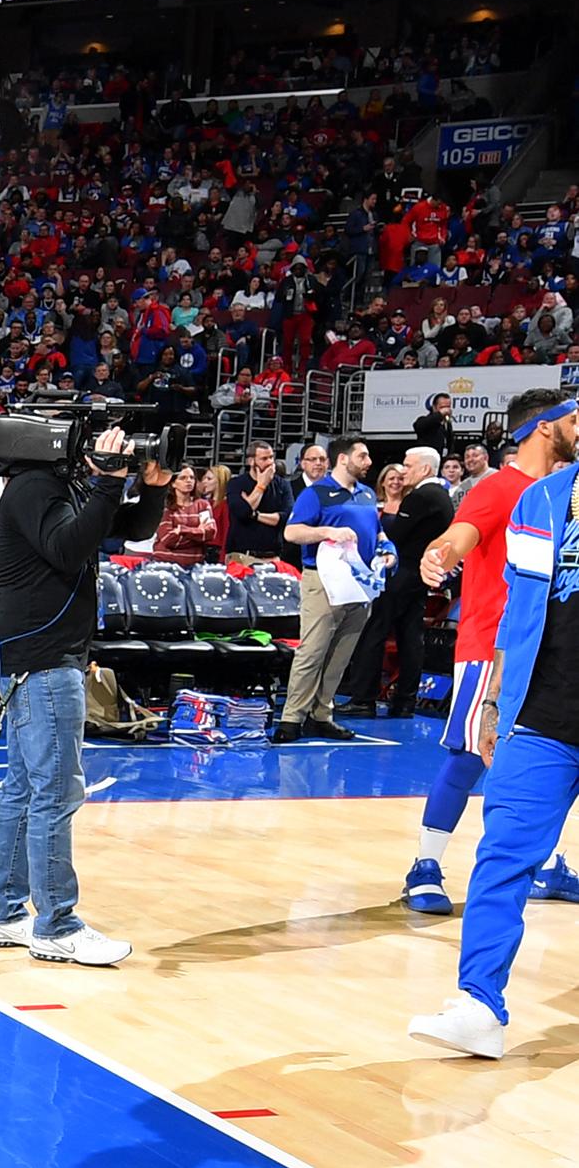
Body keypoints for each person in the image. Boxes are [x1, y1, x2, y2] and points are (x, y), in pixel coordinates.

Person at [409, 412, 579, 1058]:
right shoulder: (543, 498)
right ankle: (479, 1003)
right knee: (503, 855)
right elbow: (521, 604)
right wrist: (495, 706)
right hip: (541, 718)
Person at [0, 427, 171, 968]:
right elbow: (67, 547)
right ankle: (56, 923)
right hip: (43, 660)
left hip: (37, 657)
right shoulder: (36, 487)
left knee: (23, 789)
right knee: (56, 793)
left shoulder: (51, 486)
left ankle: (2, 913)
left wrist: (149, 487)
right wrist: (109, 480)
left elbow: (125, 528)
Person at [279, 435, 387, 743]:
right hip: (324, 580)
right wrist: (328, 531)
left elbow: (378, 533)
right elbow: (292, 532)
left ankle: (321, 714)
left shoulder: (367, 495)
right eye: (363, 456)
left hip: (360, 583)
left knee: (341, 653)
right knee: (312, 651)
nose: (368, 462)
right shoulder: (317, 493)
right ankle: (291, 718)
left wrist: (388, 549)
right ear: (343, 459)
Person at [339, 446, 455, 719]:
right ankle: (404, 701)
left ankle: (363, 699)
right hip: (419, 577)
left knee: (374, 633)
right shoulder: (442, 496)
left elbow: (395, 537)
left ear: (425, 469)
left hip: (399, 577)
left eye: (408, 465)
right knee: (410, 638)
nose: (403, 471)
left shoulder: (421, 497)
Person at [226, 442, 292, 566]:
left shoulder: (283, 484)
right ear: (251, 461)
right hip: (242, 556)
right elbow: (241, 512)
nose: (270, 463)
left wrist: (254, 515)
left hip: (272, 558)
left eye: (271, 457)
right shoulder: (236, 483)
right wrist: (261, 486)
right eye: (264, 459)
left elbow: (284, 518)